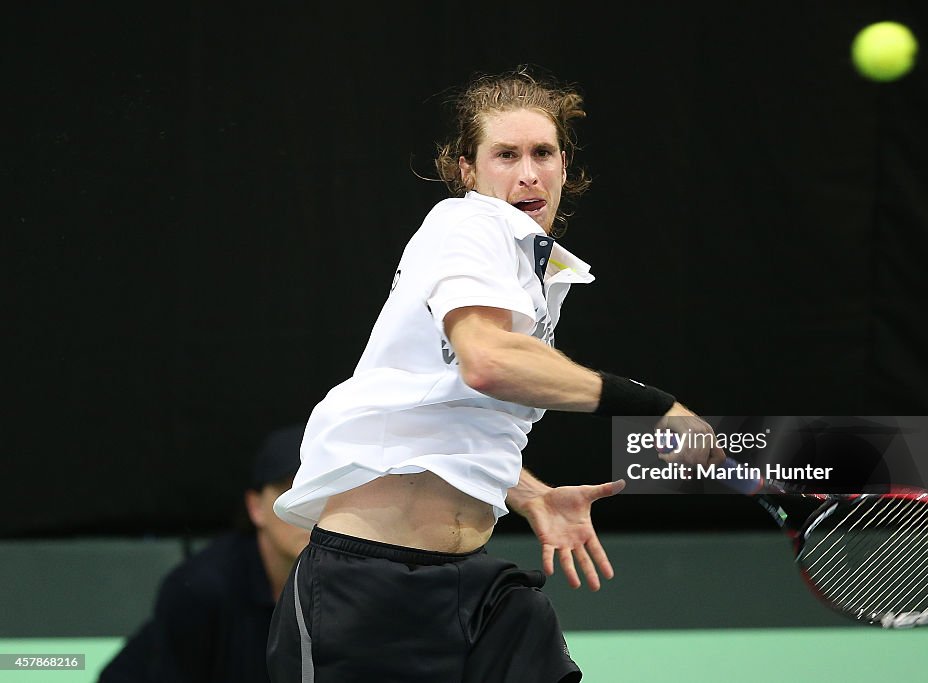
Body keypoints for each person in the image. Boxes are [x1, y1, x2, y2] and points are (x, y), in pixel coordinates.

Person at [268, 67, 723, 683]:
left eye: (543, 153)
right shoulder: (466, 224)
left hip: (477, 588)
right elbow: (487, 364)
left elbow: (448, 409)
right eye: (505, 155)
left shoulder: (534, 269)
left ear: (566, 166)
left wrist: (530, 492)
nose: (528, 174)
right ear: (467, 171)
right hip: (367, 588)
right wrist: (651, 405)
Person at [100, 425, 310, 683]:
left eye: (316, 495)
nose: (304, 512)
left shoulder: (344, 583)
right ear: (255, 507)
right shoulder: (202, 589)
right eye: (289, 494)